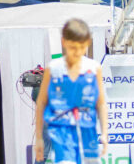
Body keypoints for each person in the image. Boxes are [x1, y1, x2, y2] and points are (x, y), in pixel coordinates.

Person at [34, 19, 108, 163]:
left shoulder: (94, 67)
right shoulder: (53, 68)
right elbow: (41, 103)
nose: (78, 52)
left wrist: (105, 133)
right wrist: (39, 138)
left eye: (82, 47)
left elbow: (101, 103)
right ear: (64, 42)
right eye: (73, 47)